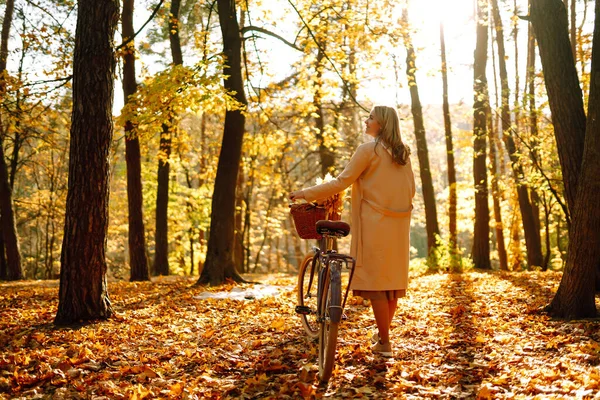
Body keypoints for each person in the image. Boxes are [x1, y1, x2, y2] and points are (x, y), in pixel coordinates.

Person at [289, 105, 416, 357]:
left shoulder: (369, 150)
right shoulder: (402, 154)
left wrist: (305, 194)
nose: (366, 121)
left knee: (377, 285)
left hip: (374, 224)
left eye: (371, 118)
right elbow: (410, 190)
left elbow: (342, 182)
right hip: (398, 225)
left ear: (381, 124)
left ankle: (386, 344)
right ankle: (382, 338)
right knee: (390, 285)